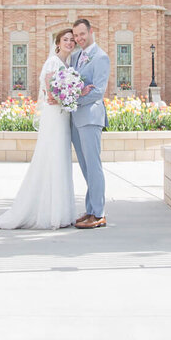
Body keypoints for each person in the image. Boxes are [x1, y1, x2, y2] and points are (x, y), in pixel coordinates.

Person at [0, 28, 77, 230]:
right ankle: (50, 214)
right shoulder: (53, 62)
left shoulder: (67, 64)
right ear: (57, 43)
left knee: (60, 159)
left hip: (63, 115)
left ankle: (61, 212)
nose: (69, 42)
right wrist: (62, 97)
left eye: (72, 40)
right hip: (54, 116)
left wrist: (70, 96)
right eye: (65, 39)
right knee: (51, 158)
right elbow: (50, 92)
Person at [69, 18, 110, 229]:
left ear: (91, 31)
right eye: (76, 35)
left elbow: (98, 91)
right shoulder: (75, 56)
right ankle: (90, 210)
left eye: (82, 34)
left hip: (91, 118)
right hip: (76, 119)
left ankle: (99, 213)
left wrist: (73, 99)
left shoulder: (101, 57)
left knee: (94, 166)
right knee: (85, 168)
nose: (79, 39)